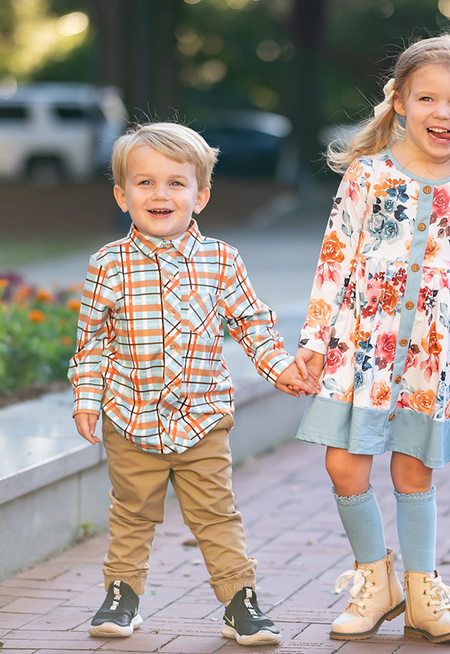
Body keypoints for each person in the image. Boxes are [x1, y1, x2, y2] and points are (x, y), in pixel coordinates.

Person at [68, 122, 318, 645]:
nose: (160, 194)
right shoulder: (107, 265)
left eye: (176, 183)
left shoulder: (221, 260)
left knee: (215, 512)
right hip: (130, 416)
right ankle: (121, 595)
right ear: (122, 194)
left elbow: (252, 324)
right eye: (145, 182)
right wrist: (88, 400)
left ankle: (239, 601)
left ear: (200, 195)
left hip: (203, 417)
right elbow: (91, 341)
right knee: (132, 511)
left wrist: (281, 368)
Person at [294, 34, 450, 644]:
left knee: (414, 471)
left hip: (431, 355)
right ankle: (373, 580)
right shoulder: (368, 175)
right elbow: (334, 258)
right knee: (344, 464)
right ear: (400, 104)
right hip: (361, 346)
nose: (442, 114)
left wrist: (446, 289)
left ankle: (421, 592)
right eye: (427, 99)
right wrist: (314, 338)